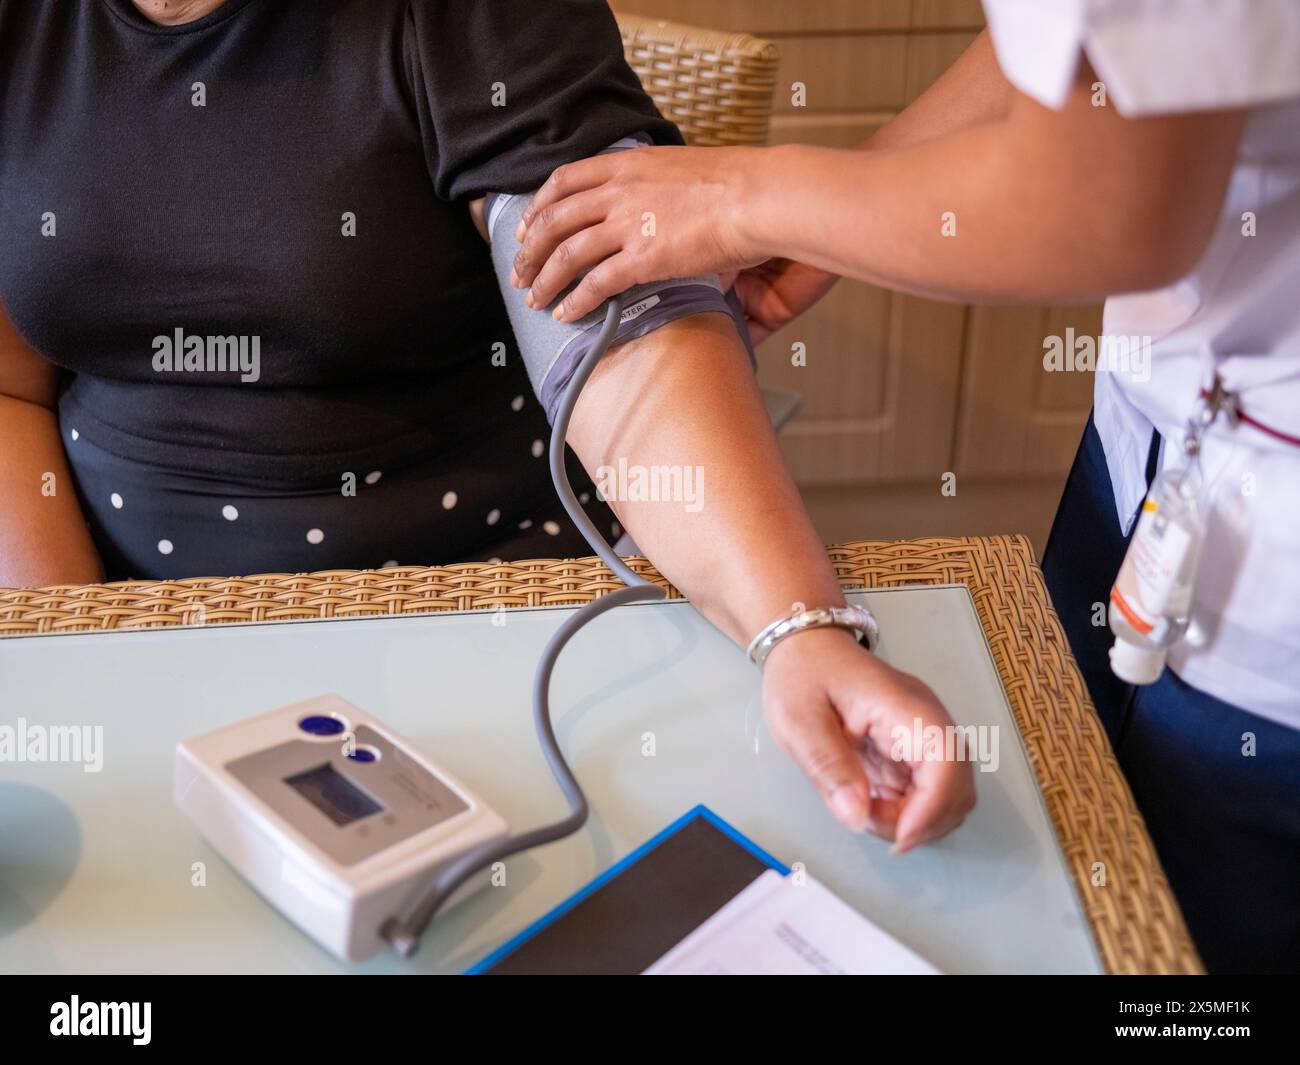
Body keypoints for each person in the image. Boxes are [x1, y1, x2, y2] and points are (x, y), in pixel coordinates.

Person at [0, 1, 975, 854]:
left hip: (484, 609)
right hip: (121, 604)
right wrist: (67, 651)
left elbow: (618, 317)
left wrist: (798, 628)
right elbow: (10, 386)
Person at [509, 2, 1300, 974]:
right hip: (1170, 440)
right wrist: (843, 198)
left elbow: (1108, 206)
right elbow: (1083, 54)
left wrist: (741, 197)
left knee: (1186, 941)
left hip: (1264, 587)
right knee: (1072, 800)